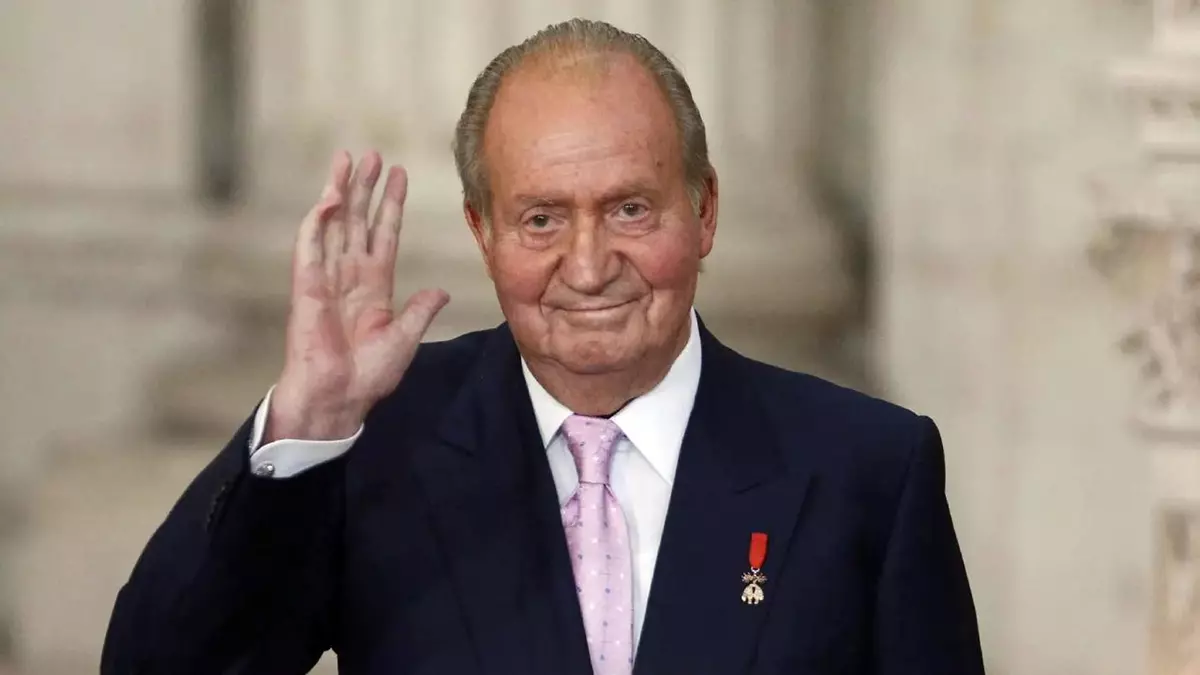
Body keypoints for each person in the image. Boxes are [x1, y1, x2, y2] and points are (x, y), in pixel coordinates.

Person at [101, 18, 983, 675]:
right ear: (482, 231)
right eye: (541, 220)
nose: (589, 267)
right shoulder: (375, 443)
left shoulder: (866, 468)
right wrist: (305, 425)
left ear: (704, 210)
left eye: (630, 209)